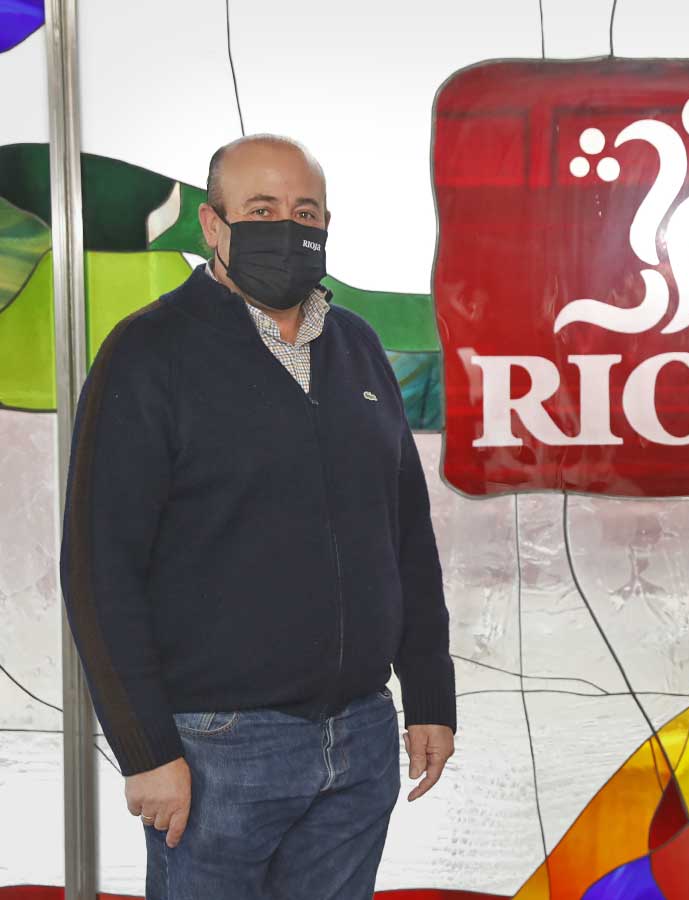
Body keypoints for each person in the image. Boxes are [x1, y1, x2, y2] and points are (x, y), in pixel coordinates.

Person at [60, 134, 457, 899]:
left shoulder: (358, 346)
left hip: (360, 738)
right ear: (213, 225)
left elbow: (406, 536)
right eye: (262, 209)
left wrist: (430, 694)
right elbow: (98, 567)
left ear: (327, 224)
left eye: (305, 212)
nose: (287, 228)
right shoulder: (148, 353)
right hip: (216, 751)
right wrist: (146, 750)